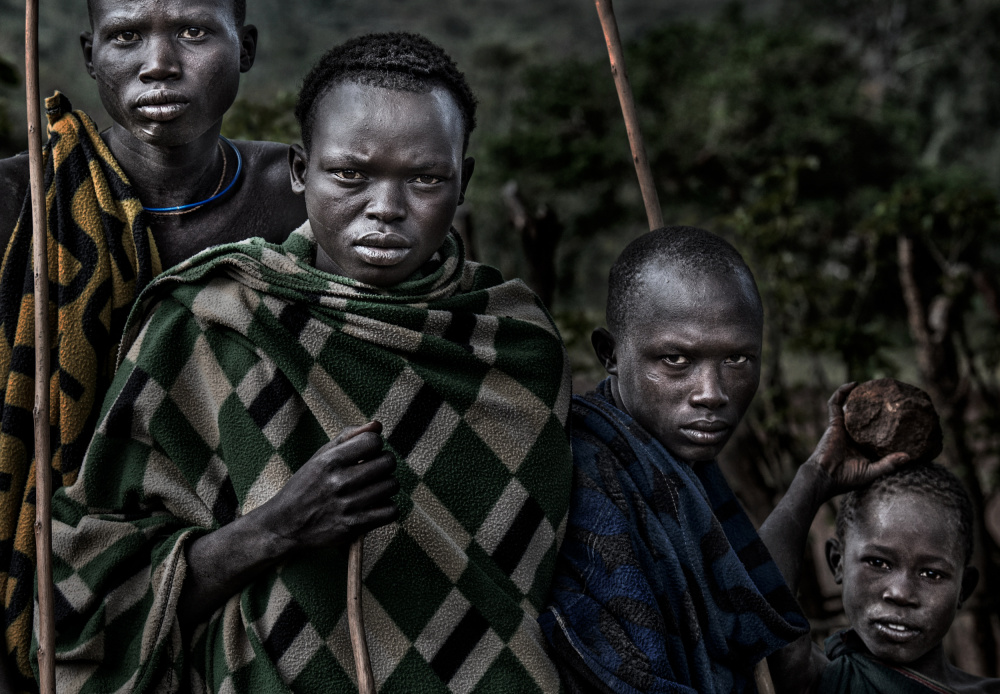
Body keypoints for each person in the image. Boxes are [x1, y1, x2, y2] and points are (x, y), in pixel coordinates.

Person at [45, 33, 573, 693]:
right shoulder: (210, 323)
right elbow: (84, 600)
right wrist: (276, 528)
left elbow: (549, 583)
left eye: (425, 179)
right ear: (301, 170)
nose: (385, 208)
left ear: (463, 180)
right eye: (350, 174)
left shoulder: (516, 346)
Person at [0, 0, 305, 688]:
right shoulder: (21, 199)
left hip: (266, 586)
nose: (159, 64)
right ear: (90, 55)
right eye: (127, 36)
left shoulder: (299, 195)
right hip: (55, 589)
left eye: (194, 32)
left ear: (246, 47)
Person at [539, 227, 906, 693]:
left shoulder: (677, 463)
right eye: (675, 359)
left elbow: (750, 617)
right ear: (610, 354)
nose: (711, 393)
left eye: (737, 360)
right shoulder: (583, 475)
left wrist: (816, 478)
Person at [764, 455, 1000, 693]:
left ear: (963, 588)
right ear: (838, 563)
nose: (901, 593)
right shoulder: (826, 681)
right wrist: (815, 474)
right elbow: (758, 586)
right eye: (878, 562)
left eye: (931, 574)